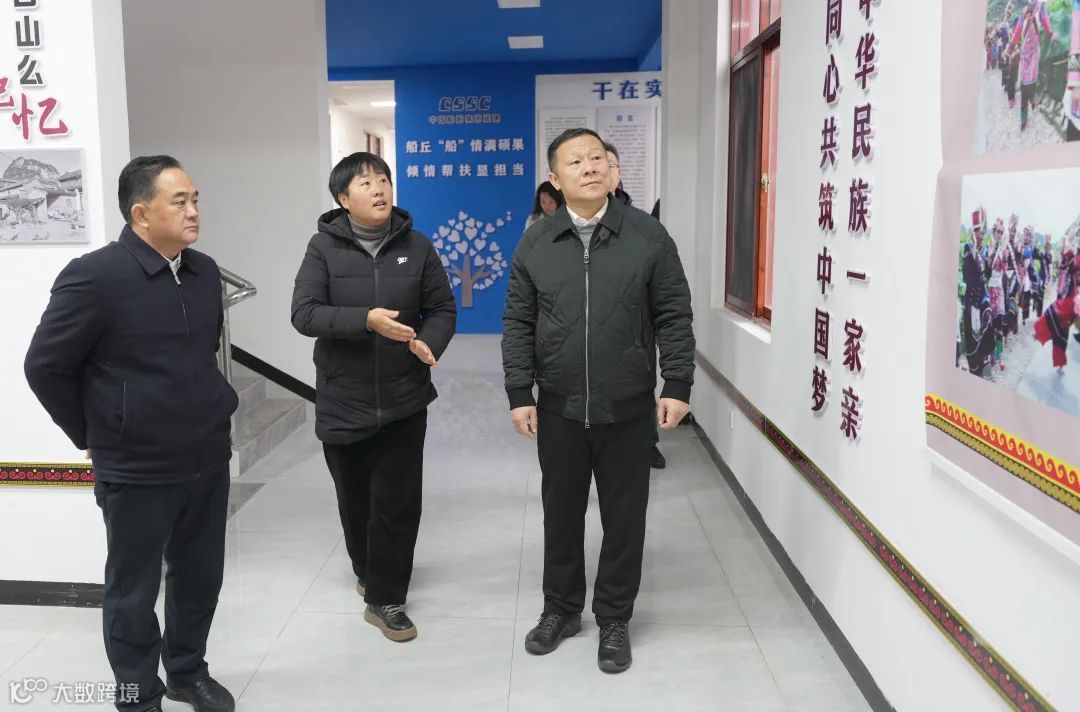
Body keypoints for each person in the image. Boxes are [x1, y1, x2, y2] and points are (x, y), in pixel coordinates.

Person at [24, 156, 239, 712]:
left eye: (196, 199)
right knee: (133, 591)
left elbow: (204, 354)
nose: (194, 211)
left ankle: (187, 672)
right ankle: (137, 695)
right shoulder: (95, 276)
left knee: (200, 578)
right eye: (179, 202)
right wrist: (93, 431)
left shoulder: (204, 271)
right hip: (136, 465)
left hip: (206, 456)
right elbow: (44, 366)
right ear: (141, 214)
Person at [502, 128, 695, 673]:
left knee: (624, 518)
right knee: (560, 514)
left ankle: (614, 617)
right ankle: (561, 609)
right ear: (554, 179)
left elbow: (673, 314)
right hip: (559, 404)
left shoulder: (647, 236)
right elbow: (517, 321)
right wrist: (519, 391)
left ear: (611, 171)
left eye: (595, 158)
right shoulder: (537, 242)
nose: (588, 167)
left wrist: (677, 383)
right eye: (575, 161)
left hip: (627, 405)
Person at [291, 152, 456, 643]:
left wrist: (430, 341)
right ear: (343, 199)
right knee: (355, 499)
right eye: (365, 183)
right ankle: (368, 569)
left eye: (383, 179)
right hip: (344, 397)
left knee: (398, 503)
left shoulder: (417, 246)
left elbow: (442, 308)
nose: (379, 188)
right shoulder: (322, 248)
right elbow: (304, 313)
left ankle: (387, 598)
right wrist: (364, 320)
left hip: (404, 396)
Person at [604, 140, 666, 469]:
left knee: (640, 390)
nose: (599, 171)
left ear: (619, 173)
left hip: (636, 331)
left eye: (608, 164)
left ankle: (647, 443)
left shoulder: (643, 227)